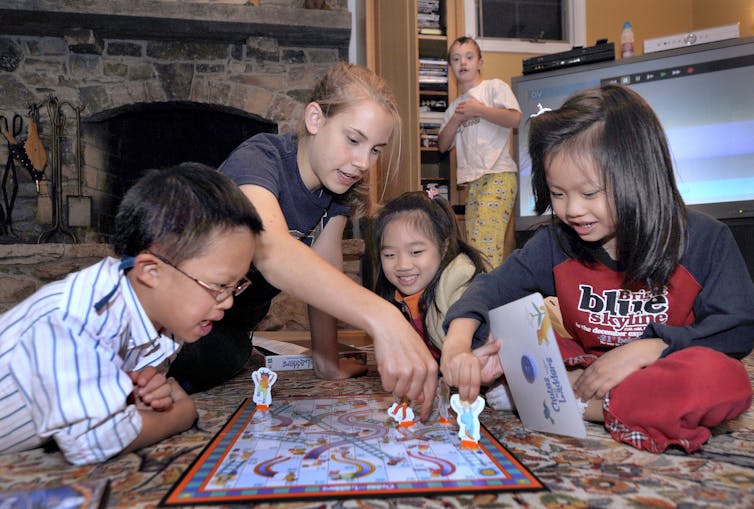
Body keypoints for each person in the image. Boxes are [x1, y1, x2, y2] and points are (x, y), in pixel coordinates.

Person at [441, 84, 754, 453]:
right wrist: (457, 345)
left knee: (725, 381)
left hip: (657, 371)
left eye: (589, 193)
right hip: (583, 365)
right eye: (558, 194)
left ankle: (581, 406)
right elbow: (490, 290)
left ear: (640, 176)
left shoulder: (705, 240)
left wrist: (648, 350)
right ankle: (556, 391)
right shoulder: (556, 243)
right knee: (499, 331)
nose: (572, 209)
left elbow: (737, 329)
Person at [167, 63, 439, 418]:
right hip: (173, 317)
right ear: (315, 119)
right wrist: (384, 317)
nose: (362, 162)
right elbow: (271, 250)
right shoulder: (259, 160)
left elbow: (325, 274)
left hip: (230, 328)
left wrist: (327, 361)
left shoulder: (335, 193)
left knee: (229, 357)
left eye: (375, 150)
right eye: (354, 140)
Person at [0, 162, 263, 464]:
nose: (228, 302)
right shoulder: (75, 320)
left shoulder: (166, 317)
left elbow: (130, 405)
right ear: (151, 271)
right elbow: (91, 442)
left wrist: (134, 395)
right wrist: (180, 415)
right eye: (219, 286)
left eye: (236, 286)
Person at [373, 191, 488, 364]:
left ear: (444, 248)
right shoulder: (394, 298)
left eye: (416, 252)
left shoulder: (460, 285)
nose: (403, 265)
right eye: (389, 255)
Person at [438, 36, 522, 268]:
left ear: (480, 62)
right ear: (450, 67)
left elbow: (515, 118)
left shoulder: (494, 88)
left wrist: (480, 110)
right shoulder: (454, 107)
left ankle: (485, 296)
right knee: (477, 245)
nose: (462, 63)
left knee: (484, 246)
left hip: (499, 175)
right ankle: (486, 293)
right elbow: (443, 144)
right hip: (473, 184)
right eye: (456, 59)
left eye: (469, 57)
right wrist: (456, 118)